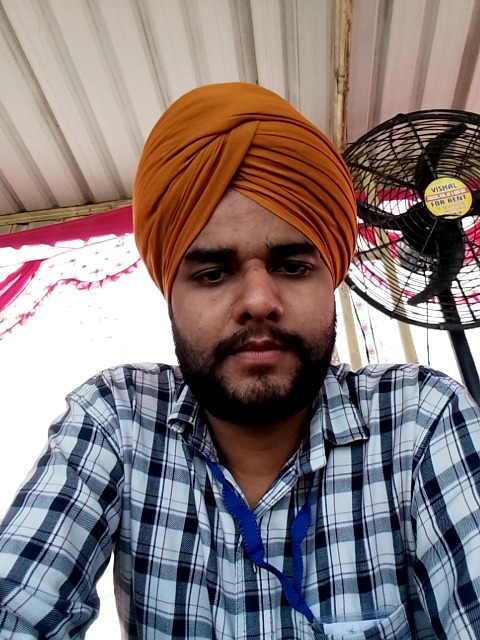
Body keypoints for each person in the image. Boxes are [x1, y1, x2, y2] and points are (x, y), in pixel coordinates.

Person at [0, 83, 479, 640]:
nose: (258, 301)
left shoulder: (419, 417)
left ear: (332, 281)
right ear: (169, 296)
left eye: (293, 267)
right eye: (213, 274)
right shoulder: (117, 418)